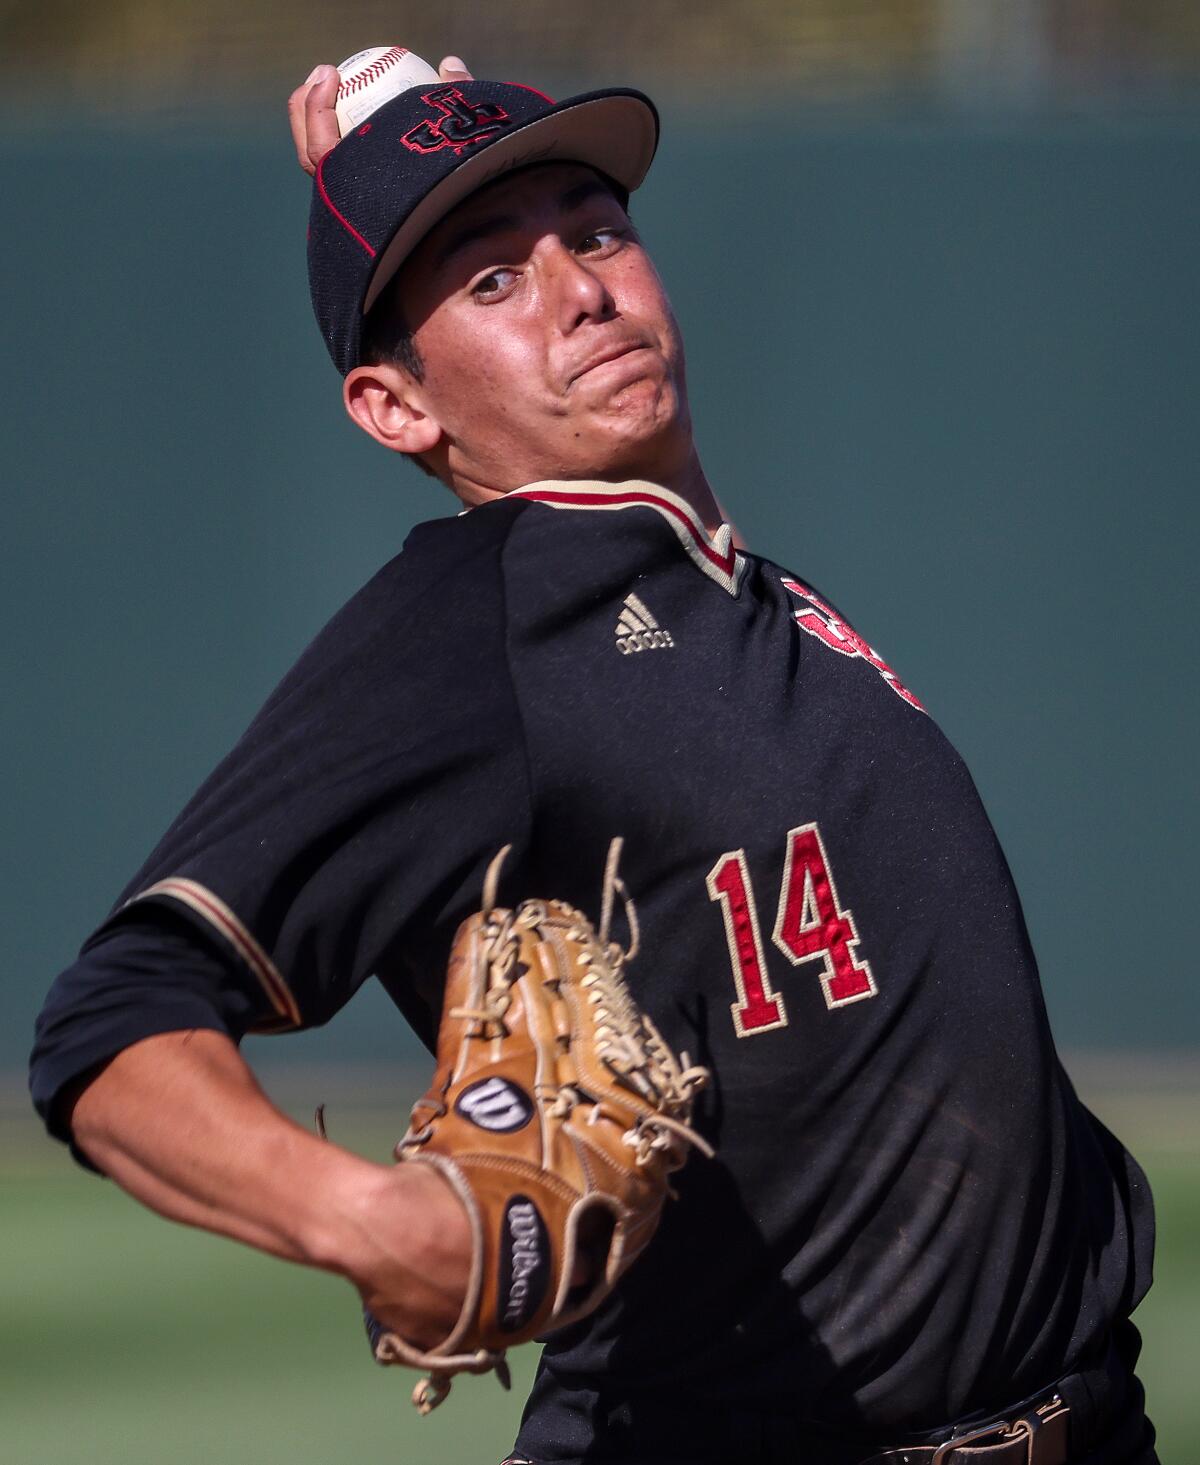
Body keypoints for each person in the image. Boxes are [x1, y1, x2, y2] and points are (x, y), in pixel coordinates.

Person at [29, 54, 1157, 1465]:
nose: (578, 289)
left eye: (595, 228)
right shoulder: (471, 628)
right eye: (490, 279)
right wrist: (365, 1219)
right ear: (395, 406)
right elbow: (111, 1022)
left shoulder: (732, 582)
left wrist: (405, 166)